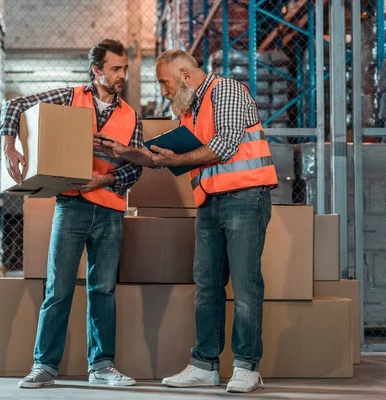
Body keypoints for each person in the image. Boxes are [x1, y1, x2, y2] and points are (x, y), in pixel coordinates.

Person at [95, 49, 278, 394]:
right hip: (210, 202)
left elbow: (223, 145)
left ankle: (246, 367)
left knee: (246, 285)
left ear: (183, 75)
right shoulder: (191, 111)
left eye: (164, 82)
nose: (163, 91)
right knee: (206, 285)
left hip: (245, 198)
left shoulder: (226, 91)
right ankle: (205, 364)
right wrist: (123, 151)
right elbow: (163, 159)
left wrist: (177, 157)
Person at [0, 38, 143, 389]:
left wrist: (104, 178)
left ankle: (102, 366)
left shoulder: (131, 116)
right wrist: (10, 146)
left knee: (103, 290)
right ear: (97, 71)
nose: (122, 74)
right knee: (58, 288)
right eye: (115, 68)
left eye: (124, 68)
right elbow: (14, 105)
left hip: (110, 211)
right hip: (71, 205)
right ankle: (45, 366)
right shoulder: (69, 97)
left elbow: (135, 169)